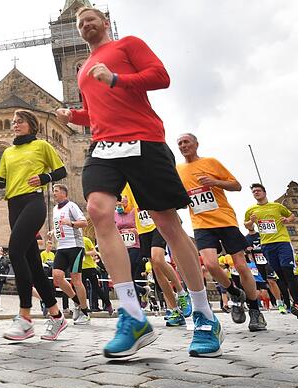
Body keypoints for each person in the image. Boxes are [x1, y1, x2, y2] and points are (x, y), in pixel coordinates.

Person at [55, 7, 220, 358]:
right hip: (104, 147)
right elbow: (99, 111)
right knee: (99, 212)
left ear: (104, 23)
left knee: (168, 226)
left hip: (143, 140)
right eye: (80, 22)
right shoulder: (84, 69)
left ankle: (204, 315)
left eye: (91, 18)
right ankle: (132, 316)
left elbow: (160, 76)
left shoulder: (128, 44)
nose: (85, 24)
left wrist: (117, 79)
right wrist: (74, 116)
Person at [0, 109, 68, 341]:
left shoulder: (42, 146)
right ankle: (56, 315)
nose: (15, 125)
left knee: (16, 251)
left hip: (33, 202)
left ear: (31, 124)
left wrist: (44, 178)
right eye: (13, 122)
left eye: (19, 121)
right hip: (13, 205)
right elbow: (4, 183)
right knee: (32, 264)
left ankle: (25, 318)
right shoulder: (9, 152)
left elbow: (61, 170)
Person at [176, 133, 265, 332]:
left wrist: (215, 182)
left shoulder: (211, 162)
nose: (183, 146)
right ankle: (234, 292)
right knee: (209, 265)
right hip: (201, 223)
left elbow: (237, 185)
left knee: (241, 266)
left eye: (186, 142)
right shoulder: (178, 169)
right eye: (180, 143)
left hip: (224, 219)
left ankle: (255, 310)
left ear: (196, 144)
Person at [123, 183, 190, 326]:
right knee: (157, 271)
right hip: (142, 228)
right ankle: (175, 310)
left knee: (158, 257)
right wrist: (123, 203)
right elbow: (127, 207)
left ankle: (181, 292)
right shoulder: (126, 184)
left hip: (157, 223)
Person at [244, 183, 298, 320]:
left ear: (264, 192)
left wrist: (286, 219)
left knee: (287, 270)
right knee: (280, 276)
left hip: (282, 241)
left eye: (258, 190)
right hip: (266, 244)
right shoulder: (251, 210)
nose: (256, 193)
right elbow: (246, 224)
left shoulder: (277, 206)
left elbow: (292, 216)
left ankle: (297, 304)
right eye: (254, 192)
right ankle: (287, 303)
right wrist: (251, 222)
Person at [50, 184, 91, 324]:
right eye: (53, 191)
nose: (53, 193)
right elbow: (59, 226)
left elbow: (84, 223)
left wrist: (71, 223)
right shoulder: (54, 209)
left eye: (55, 191)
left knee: (76, 280)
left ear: (63, 193)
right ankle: (77, 303)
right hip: (61, 247)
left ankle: (85, 312)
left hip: (75, 247)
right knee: (57, 276)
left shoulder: (71, 206)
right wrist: (53, 232)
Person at [81, 236, 112, 314]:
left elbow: (94, 252)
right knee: (82, 288)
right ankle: (84, 307)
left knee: (96, 287)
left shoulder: (86, 240)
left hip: (90, 267)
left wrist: (85, 253)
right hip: (80, 268)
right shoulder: (72, 242)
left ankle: (108, 304)